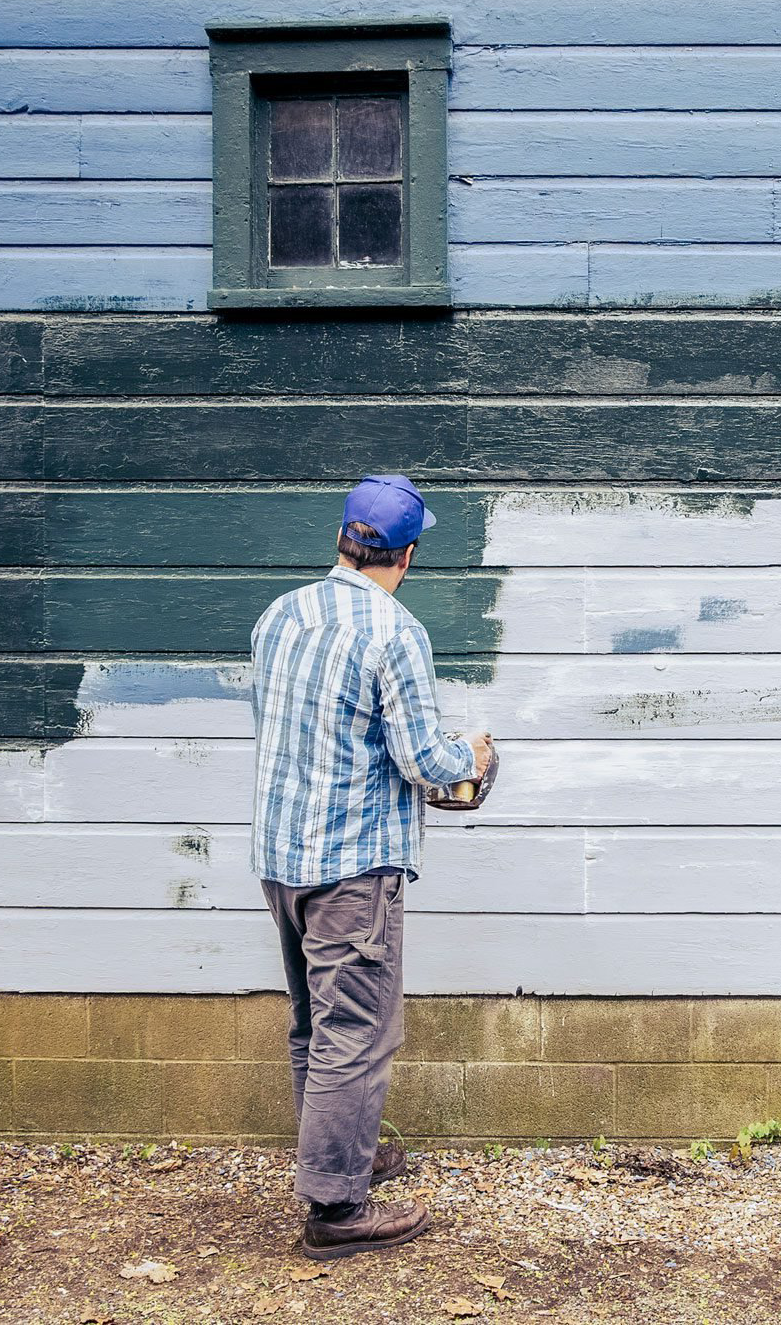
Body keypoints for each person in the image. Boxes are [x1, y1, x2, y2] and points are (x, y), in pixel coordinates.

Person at [248, 474, 494, 1259]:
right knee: (356, 1031)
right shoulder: (394, 631)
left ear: (344, 538)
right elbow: (426, 761)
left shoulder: (280, 615)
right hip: (353, 863)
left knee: (315, 1025)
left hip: (282, 858)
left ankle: (339, 1158)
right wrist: (476, 757)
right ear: (408, 554)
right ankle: (335, 1210)